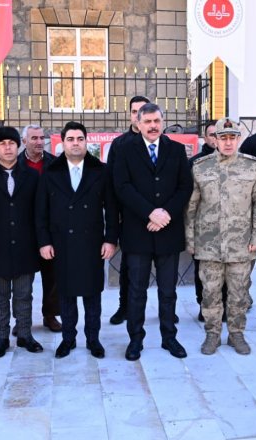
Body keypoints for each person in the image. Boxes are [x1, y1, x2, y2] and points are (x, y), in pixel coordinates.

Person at [114, 103, 193, 361]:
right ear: (138, 123)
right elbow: (123, 188)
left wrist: (165, 214)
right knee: (136, 290)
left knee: (168, 290)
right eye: (147, 121)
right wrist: (151, 213)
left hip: (168, 231)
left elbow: (184, 187)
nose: (152, 126)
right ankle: (135, 340)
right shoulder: (125, 150)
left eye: (156, 121)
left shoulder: (177, 150)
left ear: (162, 121)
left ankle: (169, 337)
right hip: (138, 231)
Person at [36, 121, 119, 359]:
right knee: (66, 294)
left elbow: (112, 209)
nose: (75, 143)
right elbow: (40, 211)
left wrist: (110, 239)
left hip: (92, 243)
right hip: (61, 244)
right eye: (70, 139)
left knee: (92, 295)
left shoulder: (101, 171)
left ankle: (93, 339)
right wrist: (44, 242)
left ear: (86, 141)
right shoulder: (50, 172)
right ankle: (68, 339)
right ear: (63, 143)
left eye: (80, 139)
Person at [186, 117, 256, 355]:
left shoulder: (252, 166)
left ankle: (236, 334)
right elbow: (191, 207)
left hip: (241, 244)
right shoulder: (200, 167)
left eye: (233, 137)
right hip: (208, 243)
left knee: (239, 293)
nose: (228, 142)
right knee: (210, 292)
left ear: (238, 139)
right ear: (215, 140)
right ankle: (212, 334)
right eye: (223, 138)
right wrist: (190, 240)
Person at [0, 126, 44, 358]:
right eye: (2, 144)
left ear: (18, 145)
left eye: (12, 143)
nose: (8, 147)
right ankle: (1, 337)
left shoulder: (32, 176)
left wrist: (42, 243)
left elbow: (40, 213)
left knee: (25, 294)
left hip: (26, 246)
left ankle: (24, 334)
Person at [106, 96, 151, 325]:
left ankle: (166, 309)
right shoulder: (120, 144)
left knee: (161, 267)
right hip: (130, 218)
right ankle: (124, 307)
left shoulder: (160, 142)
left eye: (142, 110)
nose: (138, 115)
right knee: (128, 268)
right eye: (134, 111)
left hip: (157, 218)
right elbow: (114, 186)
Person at [16, 124, 61, 333]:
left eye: (41, 138)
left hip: (50, 229)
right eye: (33, 138)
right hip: (23, 228)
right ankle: (21, 320)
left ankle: (50, 315)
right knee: (22, 279)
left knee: (51, 276)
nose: (38, 142)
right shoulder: (14, 164)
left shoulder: (54, 163)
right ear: (24, 141)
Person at [190, 119, 226, 323]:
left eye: (218, 134)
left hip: (230, 229)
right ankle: (203, 305)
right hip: (204, 230)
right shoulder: (196, 163)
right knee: (203, 272)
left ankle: (227, 306)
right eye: (212, 135)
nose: (215, 139)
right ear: (206, 137)